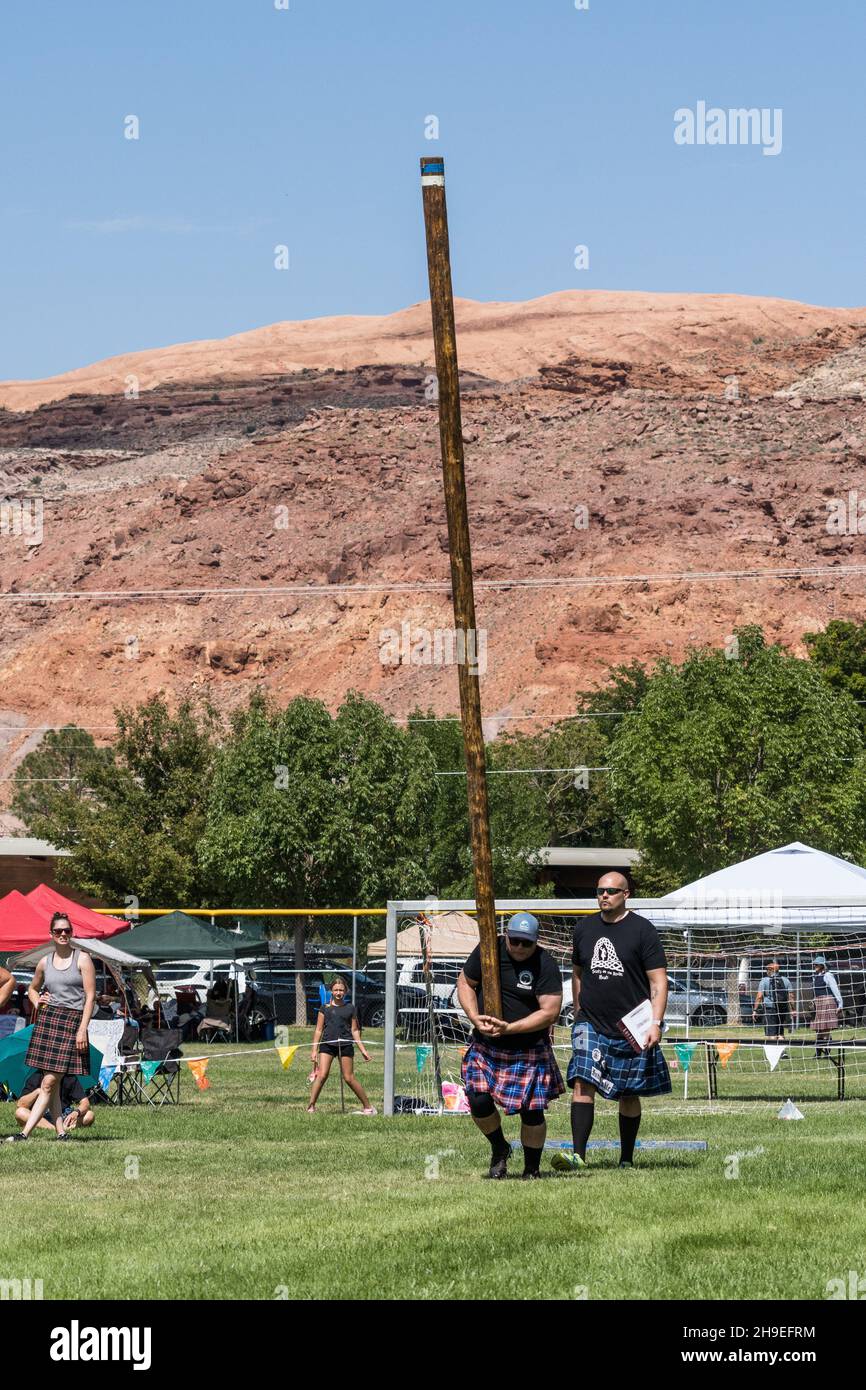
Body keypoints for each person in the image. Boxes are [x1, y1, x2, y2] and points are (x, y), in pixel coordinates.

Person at [553, 872, 670, 1174]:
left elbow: (658, 981)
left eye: (611, 891)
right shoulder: (584, 928)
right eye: (600, 891)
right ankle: (578, 1156)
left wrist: (655, 1022)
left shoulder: (643, 931)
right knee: (582, 1081)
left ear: (626, 894)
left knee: (629, 1093)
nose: (604, 895)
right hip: (590, 1021)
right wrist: (579, 1012)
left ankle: (626, 1158)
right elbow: (578, 972)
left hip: (631, 1025)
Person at [457, 912, 564, 1180]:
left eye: (526, 943)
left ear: (535, 942)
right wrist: (474, 1017)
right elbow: (466, 983)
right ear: (507, 937)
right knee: (478, 1100)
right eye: (514, 941)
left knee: (532, 1112)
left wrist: (510, 1028)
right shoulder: (488, 950)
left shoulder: (545, 963)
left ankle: (531, 1169)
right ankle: (500, 1148)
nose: (519, 947)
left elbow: (550, 1012)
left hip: (528, 1048)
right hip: (486, 1045)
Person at [5, 912, 96, 1143]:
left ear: (72, 933)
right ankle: (61, 1133)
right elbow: (32, 988)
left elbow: (90, 995)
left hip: (72, 1022)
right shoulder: (45, 962)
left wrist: (83, 1028)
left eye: (67, 930)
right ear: (51, 935)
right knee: (52, 1084)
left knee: (48, 1082)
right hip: (48, 1022)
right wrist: (38, 1002)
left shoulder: (83, 959)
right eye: (59, 931)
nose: (63, 934)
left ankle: (24, 1133)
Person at [307, 977, 375, 1114]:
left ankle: (368, 1107)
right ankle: (311, 1106)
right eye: (336, 990)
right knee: (322, 1075)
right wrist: (314, 1050)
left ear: (346, 991)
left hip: (345, 1046)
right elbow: (318, 1030)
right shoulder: (324, 1008)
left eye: (341, 990)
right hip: (327, 1045)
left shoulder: (350, 1008)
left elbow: (355, 1031)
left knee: (349, 1077)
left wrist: (363, 1051)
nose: (338, 992)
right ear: (331, 991)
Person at [15, 1071, 95, 1135]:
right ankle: (57, 1128)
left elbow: (85, 1103)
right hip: (40, 1117)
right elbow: (20, 1104)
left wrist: (76, 1112)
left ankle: (59, 1127)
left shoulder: (69, 1077)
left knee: (89, 1115)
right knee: (20, 1112)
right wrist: (37, 1092)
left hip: (64, 1116)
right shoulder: (35, 1077)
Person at [752, 960, 793, 1042]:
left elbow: (759, 996)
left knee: (772, 1034)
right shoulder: (786, 980)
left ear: (770, 971)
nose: (766, 971)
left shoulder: (764, 980)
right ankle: (782, 1052)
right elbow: (791, 996)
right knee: (780, 1033)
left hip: (770, 1009)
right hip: (782, 1008)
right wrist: (793, 1009)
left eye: (767, 970)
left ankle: (774, 1053)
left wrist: (755, 1010)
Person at [811, 956, 843, 1058]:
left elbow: (835, 990)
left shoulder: (828, 975)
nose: (814, 966)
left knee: (825, 1030)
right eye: (814, 964)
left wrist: (840, 1003)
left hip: (827, 1002)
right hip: (819, 1003)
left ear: (822, 965)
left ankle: (827, 1053)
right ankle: (818, 1053)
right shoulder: (816, 976)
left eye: (816, 964)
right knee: (819, 1030)